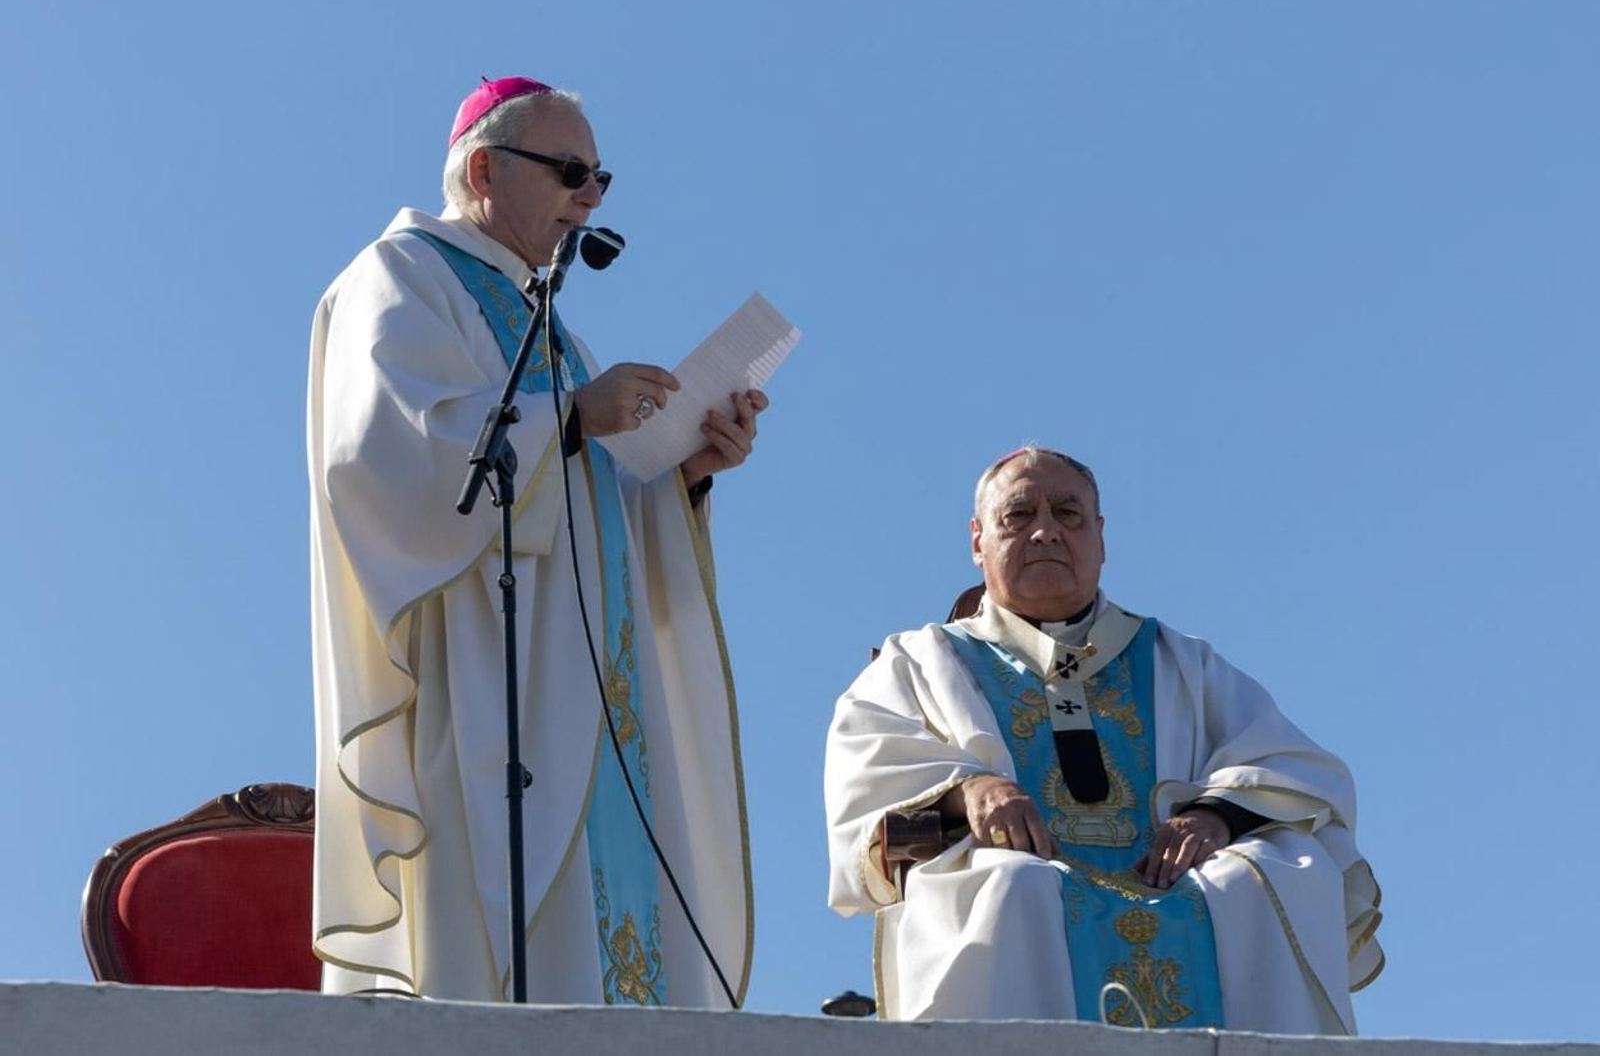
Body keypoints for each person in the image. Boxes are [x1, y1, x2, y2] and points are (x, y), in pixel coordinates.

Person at [308, 76, 761, 1005]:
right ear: (482, 169)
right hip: (484, 683)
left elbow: (594, 516)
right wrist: (568, 419)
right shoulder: (401, 275)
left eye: (600, 179)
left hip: (594, 700)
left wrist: (685, 475)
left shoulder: (559, 336)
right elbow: (390, 458)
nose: (588, 199)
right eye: (569, 173)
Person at [824, 448, 1382, 1032]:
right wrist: (968, 788)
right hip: (1024, 876)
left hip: (1178, 880)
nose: (1045, 531)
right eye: (1018, 515)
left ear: (1100, 536)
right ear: (977, 541)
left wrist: (1218, 816)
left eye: (1068, 513)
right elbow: (868, 768)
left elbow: (1295, 768)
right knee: (1012, 887)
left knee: (1267, 872)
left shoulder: (1180, 662)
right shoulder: (922, 662)